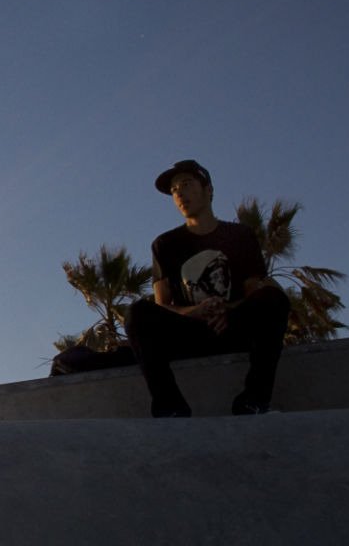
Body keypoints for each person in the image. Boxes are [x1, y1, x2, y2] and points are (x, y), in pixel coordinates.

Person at [125, 160, 292, 417]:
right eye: (174, 191)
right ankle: (171, 407)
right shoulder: (165, 244)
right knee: (138, 313)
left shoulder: (240, 236)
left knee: (273, 298)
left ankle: (253, 400)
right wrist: (196, 311)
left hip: (233, 326)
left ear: (208, 190)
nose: (179, 194)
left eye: (186, 185)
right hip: (190, 332)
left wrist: (226, 309)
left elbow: (252, 293)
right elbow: (163, 306)